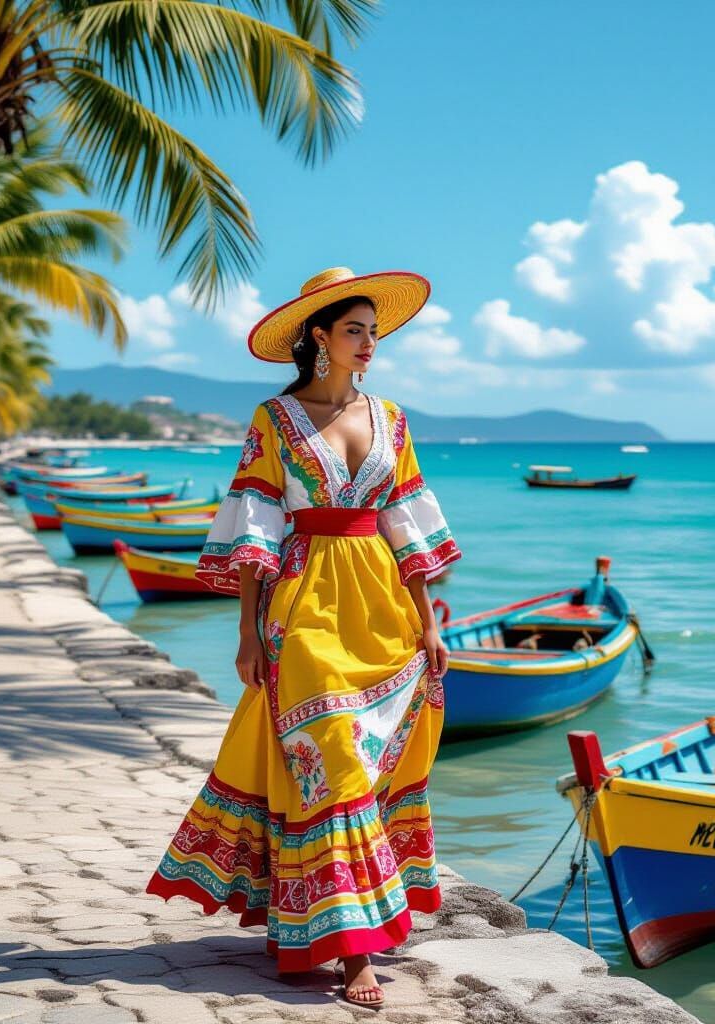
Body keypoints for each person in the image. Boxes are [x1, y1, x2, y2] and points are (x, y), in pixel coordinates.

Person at [145, 267, 462, 1009]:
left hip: (381, 604)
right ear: (317, 336)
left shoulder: (391, 418)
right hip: (305, 604)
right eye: (355, 330)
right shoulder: (275, 419)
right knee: (332, 761)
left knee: (374, 761)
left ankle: (315, 918)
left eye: (374, 332)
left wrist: (427, 623)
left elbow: (405, 521)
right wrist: (249, 633)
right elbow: (255, 526)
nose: (369, 344)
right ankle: (352, 954)